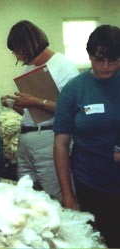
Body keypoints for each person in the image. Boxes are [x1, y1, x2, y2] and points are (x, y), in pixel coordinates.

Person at [54, 24, 120, 248]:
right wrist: (68, 195)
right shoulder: (74, 90)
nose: (106, 67)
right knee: (98, 241)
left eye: (114, 60)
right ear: (89, 55)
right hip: (91, 184)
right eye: (99, 60)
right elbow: (61, 144)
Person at [1, 20, 79, 200]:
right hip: (27, 138)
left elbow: (73, 111)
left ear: (26, 46)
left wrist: (36, 101)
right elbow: (33, 114)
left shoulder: (63, 67)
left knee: (56, 196)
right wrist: (16, 104)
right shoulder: (31, 68)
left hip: (49, 140)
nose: (17, 57)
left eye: (16, 52)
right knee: (27, 197)